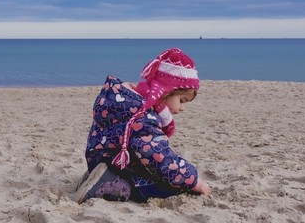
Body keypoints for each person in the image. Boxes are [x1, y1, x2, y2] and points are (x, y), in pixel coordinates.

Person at [75, 48, 211, 203]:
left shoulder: (127, 102)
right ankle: (107, 183)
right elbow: (160, 158)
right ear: (166, 91)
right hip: (117, 165)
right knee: (170, 186)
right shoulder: (145, 116)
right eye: (181, 100)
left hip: (100, 157)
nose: (182, 108)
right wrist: (193, 181)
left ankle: (98, 174)